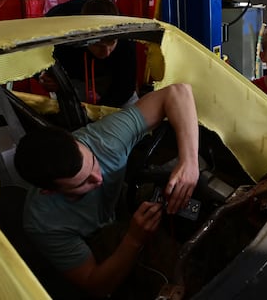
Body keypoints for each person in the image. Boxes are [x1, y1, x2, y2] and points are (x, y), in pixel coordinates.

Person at [14, 83, 200, 298]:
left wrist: (189, 163)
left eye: (93, 163)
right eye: (83, 183)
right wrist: (133, 240)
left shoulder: (103, 139)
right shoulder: (43, 222)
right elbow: (95, 285)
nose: (99, 178)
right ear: (50, 191)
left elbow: (178, 92)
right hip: (98, 240)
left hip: (121, 202)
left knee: (177, 189)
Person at [41, 0, 139, 108]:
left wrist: (100, 114)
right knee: (71, 112)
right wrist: (43, 74)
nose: (106, 52)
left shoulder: (126, 37)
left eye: (111, 44)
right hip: (73, 72)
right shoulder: (59, 28)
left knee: (130, 111)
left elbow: (125, 88)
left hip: (110, 75)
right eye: (98, 45)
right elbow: (33, 54)